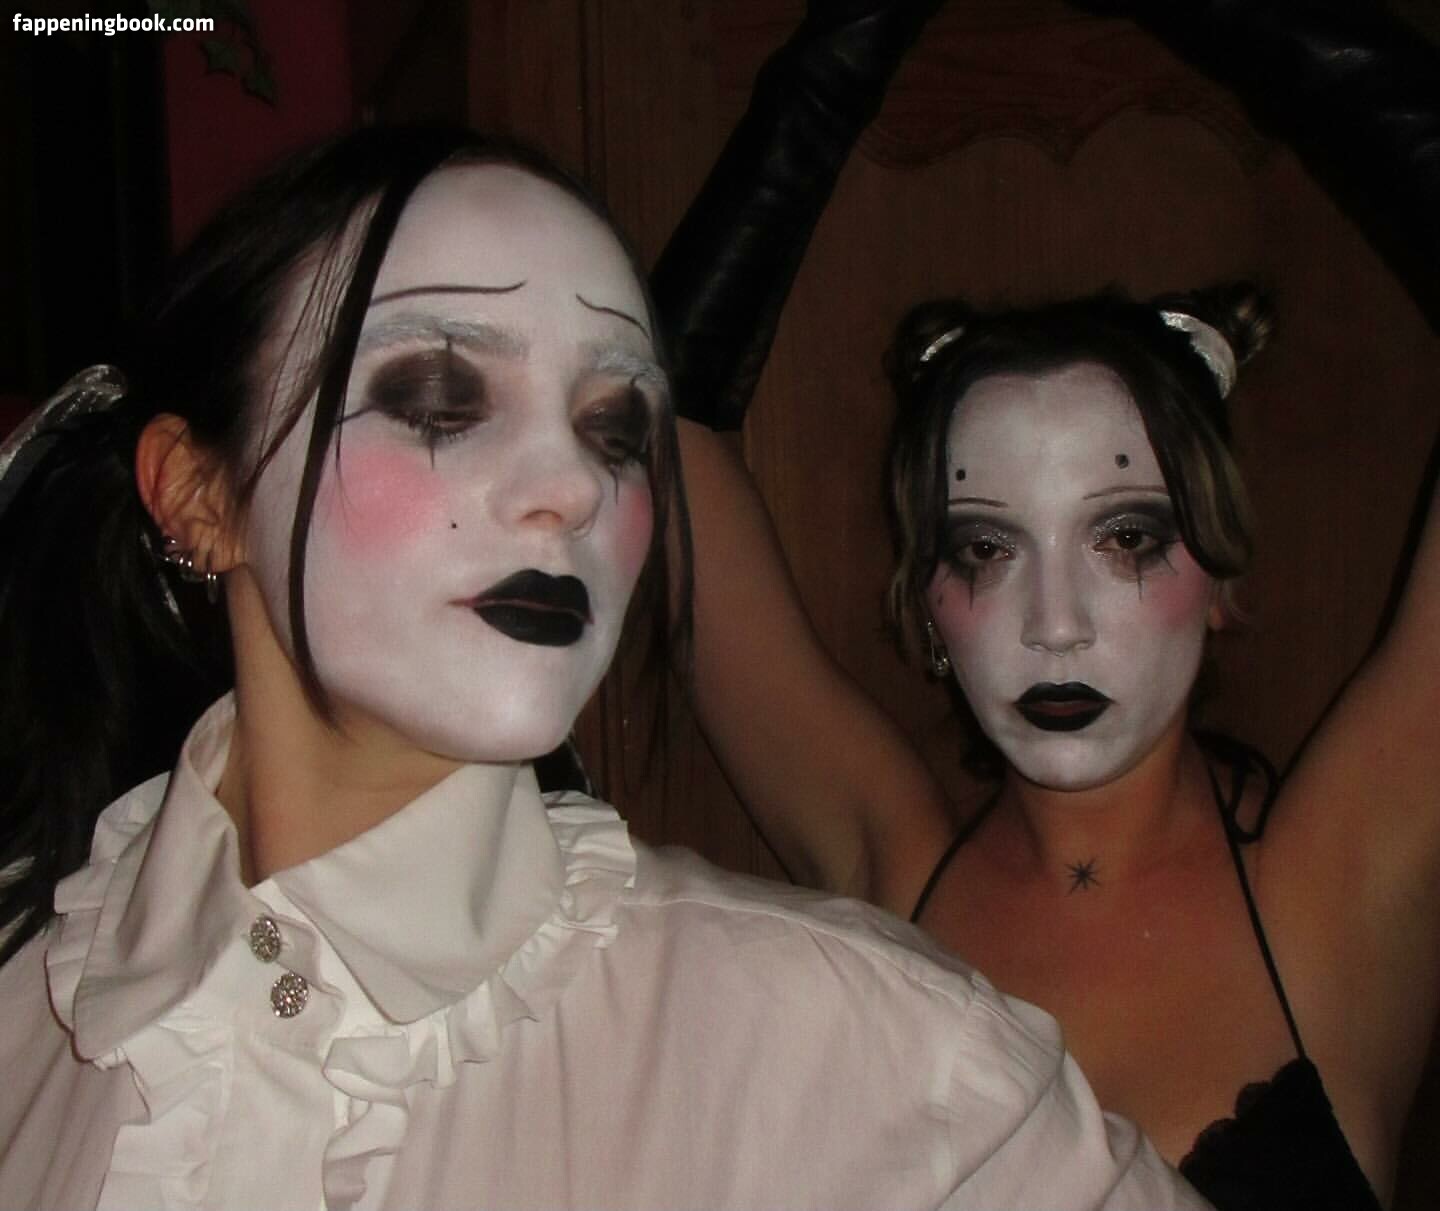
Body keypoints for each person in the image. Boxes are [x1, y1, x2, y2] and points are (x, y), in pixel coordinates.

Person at [0, 124, 1205, 1210]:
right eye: (439, 400)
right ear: (197, 495)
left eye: (616, 427)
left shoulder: (869, 1054)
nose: (575, 484)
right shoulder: (22, 1015)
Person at [678, 278, 1440, 1210]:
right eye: (986, 547)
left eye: (1124, 535)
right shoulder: (894, 880)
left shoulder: (1338, 889)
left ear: (1219, 575)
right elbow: (661, 424)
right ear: (927, 605)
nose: (1055, 626)